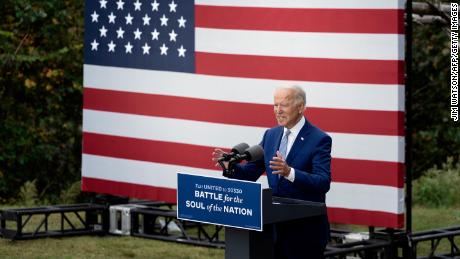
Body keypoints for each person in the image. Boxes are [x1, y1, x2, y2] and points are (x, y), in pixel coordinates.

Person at [213, 85, 332, 259]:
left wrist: (289, 172)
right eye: (275, 105)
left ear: (301, 107)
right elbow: (250, 173)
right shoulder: (271, 135)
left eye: (283, 105)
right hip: (273, 230)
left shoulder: (319, 139)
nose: (278, 110)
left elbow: (322, 182)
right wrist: (230, 167)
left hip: (304, 232)